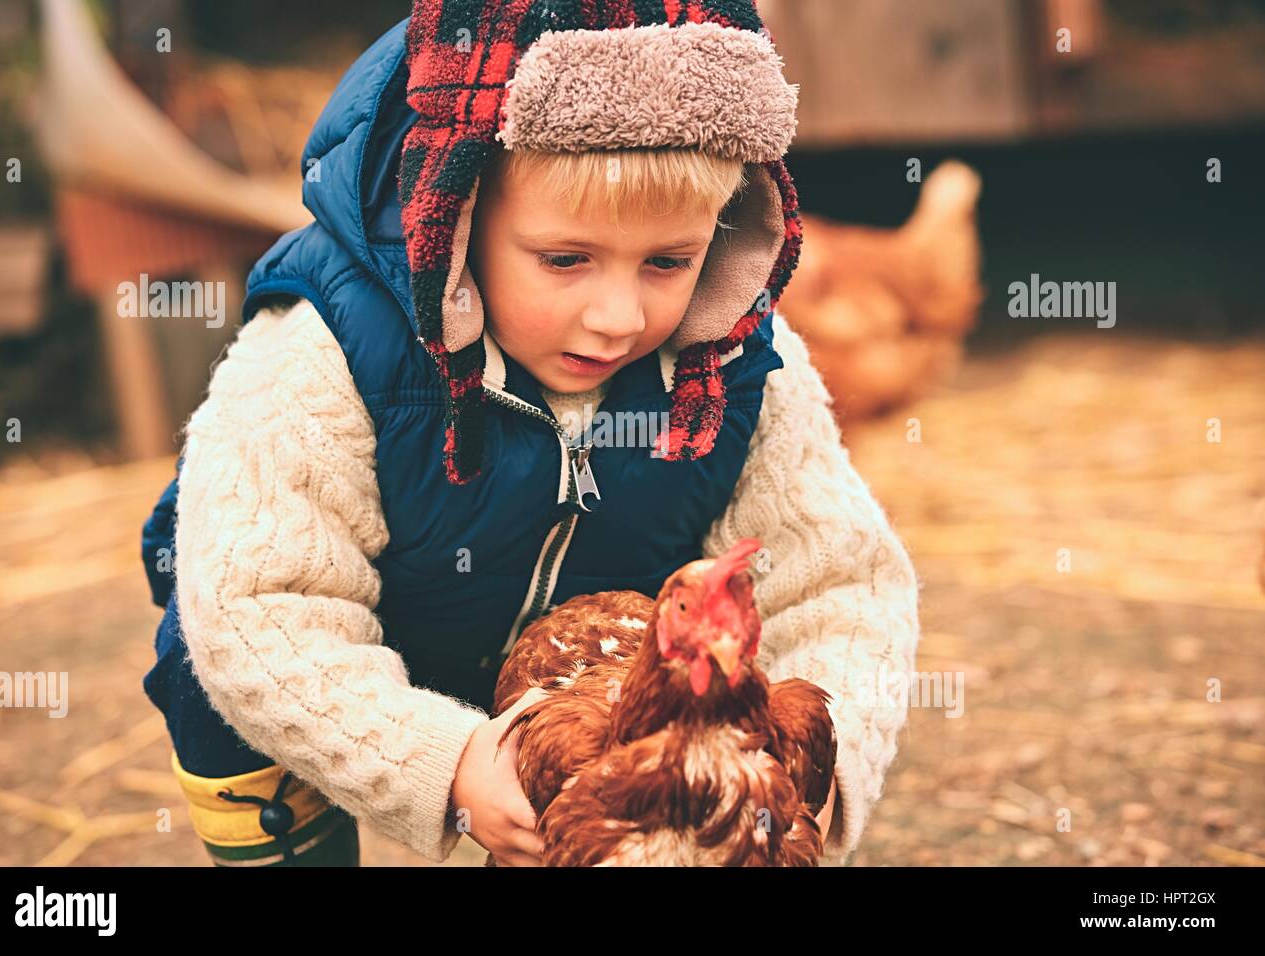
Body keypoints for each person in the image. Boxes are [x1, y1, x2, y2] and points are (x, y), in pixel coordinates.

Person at [141, 0, 920, 868]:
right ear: (456, 220)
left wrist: (800, 777)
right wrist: (448, 765)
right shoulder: (323, 349)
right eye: (565, 259)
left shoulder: (740, 366)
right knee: (203, 667)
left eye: (669, 261)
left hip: (604, 678)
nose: (619, 317)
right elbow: (260, 611)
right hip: (371, 655)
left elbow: (841, 589)